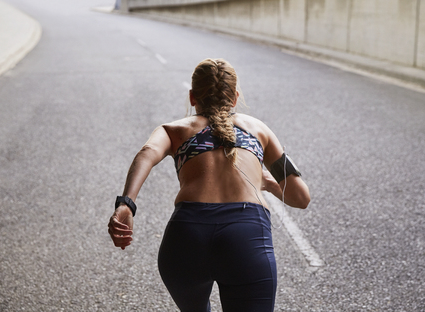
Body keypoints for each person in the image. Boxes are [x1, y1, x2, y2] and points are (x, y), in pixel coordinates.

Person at [108, 58, 310, 312]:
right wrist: (268, 183)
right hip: (245, 237)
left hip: (186, 237)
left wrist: (127, 203)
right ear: (235, 97)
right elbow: (301, 197)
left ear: (192, 97)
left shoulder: (174, 129)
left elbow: (147, 152)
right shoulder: (259, 130)